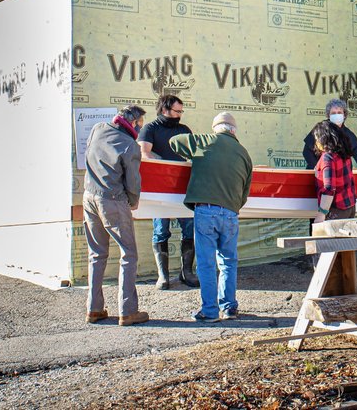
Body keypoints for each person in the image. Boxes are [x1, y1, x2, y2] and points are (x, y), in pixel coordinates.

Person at [169, 112, 252, 322]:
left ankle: (210, 311)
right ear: (234, 131)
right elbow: (244, 193)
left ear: (216, 128)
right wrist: (231, 207)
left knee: (206, 263)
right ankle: (229, 308)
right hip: (231, 213)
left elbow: (174, 142)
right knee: (228, 262)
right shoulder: (244, 154)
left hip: (205, 210)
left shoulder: (204, 141)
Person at [82, 105, 149, 326]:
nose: (140, 128)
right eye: (140, 123)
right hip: (113, 200)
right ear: (134, 122)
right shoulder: (130, 146)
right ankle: (127, 311)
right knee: (128, 254)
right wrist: (133, 203)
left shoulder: (98, 128)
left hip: (89, 196)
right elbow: (133, 183)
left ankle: (94, 309)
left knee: (96, 254)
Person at [138, 95, 199, 289]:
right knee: (160, 231)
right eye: (177, 111)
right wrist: (169, 167)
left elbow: (194, 155)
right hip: (160, 192)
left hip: (184, 191)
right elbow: (144, 154)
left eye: (181, 111)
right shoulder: (150, 129)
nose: (180, 115)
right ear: (165, 110)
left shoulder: (184, 130)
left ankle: (186, 273)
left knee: (189, 229)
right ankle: (163, 276)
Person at [302, 98, 357, 169]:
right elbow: (306, 152)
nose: (336, 115)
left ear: (344, 115)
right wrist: (319, 168)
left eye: (339, 112)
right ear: (328, 115)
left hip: (340, 176)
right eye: (333, 113)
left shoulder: (349, 136)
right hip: (317, 174)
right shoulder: (320, 129)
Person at [311, 120, 357, 225]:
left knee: (329, 241)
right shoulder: (345, 154)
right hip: (350, 207)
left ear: (323, 139)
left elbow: (329, 189)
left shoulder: (328, 157)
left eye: (317, 138)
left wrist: (321, 213)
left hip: (336, 210)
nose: (316, 142)